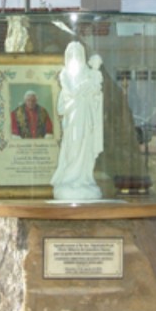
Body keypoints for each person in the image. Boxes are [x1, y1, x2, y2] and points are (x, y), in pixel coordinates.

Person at [51, 43, 104, 200]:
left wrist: (93, 92)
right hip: (73, 117)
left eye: (78, 54)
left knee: (85, 147)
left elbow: (96, 93)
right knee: (73, 146)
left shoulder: (90, 73)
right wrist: (83, 88)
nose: (75, 57)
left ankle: (84, 178)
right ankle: (69, 178)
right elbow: (71, 92)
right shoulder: (65, 74)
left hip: (86, 116)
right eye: (72, 54)